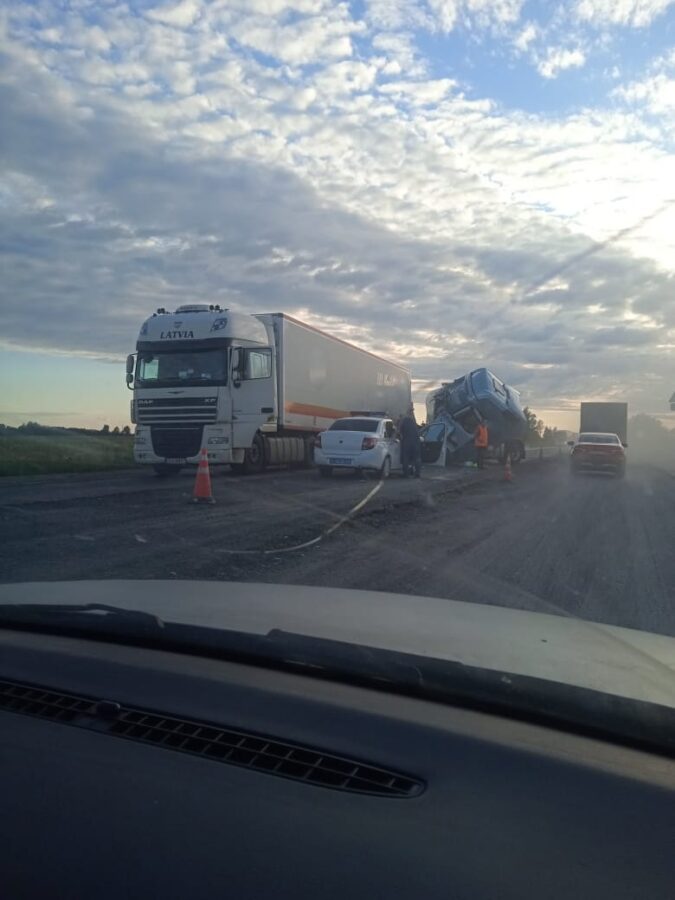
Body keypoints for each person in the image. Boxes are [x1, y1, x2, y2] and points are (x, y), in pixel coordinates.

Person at [399, 407, 422, 478]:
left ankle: (406, 474)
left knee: (406, 458)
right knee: (417, 458)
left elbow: (399, 431)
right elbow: (418, 432)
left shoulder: (404, 421)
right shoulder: (414, 422)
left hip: (407, 442)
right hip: (415, 442)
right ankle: (417, 473)